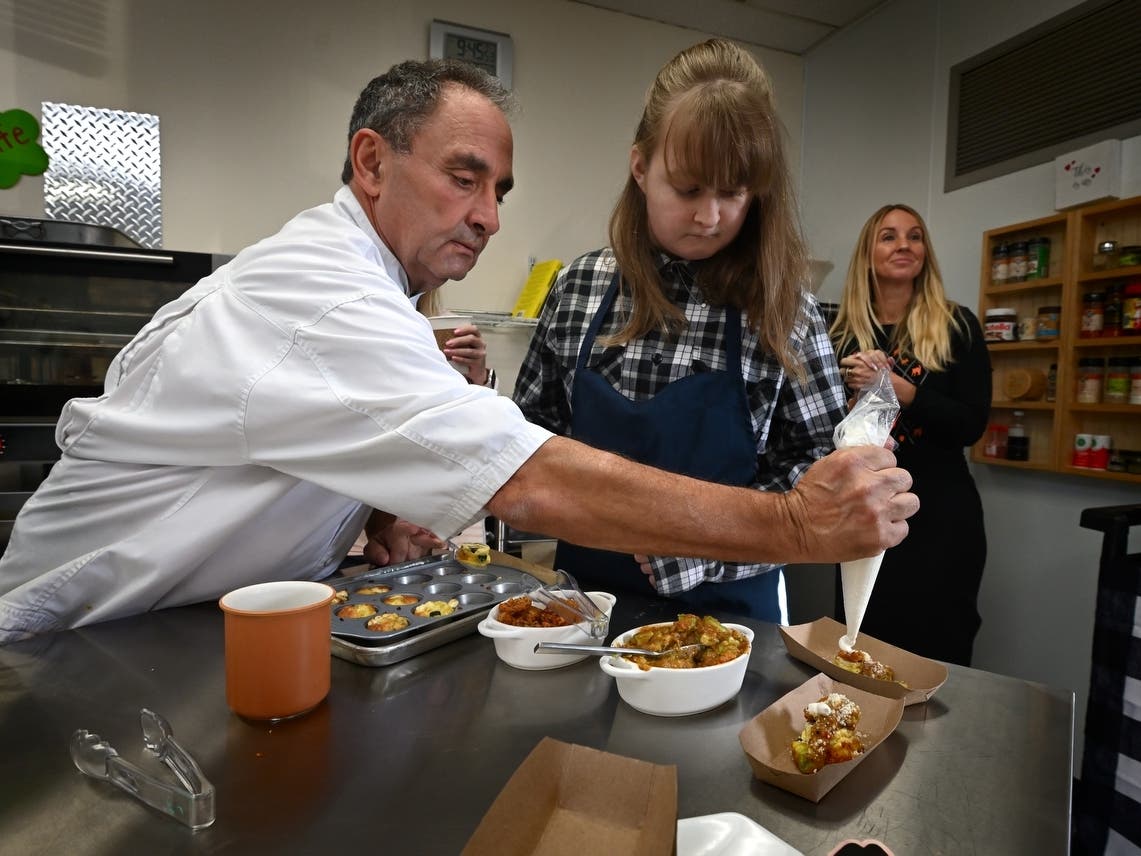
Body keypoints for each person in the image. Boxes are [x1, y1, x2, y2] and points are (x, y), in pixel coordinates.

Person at [0, 58, 917, 643]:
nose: (487, 215)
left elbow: (291, 443)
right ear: (370, 163)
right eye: (462, 178)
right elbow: (524, 469)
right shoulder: (321, 294)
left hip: (164, 632)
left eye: (500, 190)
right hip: (73, 642)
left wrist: (365, 514)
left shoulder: (377, 300)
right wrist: (794, 526)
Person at [512, 39, 847, 623]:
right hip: (580, 613)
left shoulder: (786, 311)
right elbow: (528, 440)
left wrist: (703, 551)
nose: (710, 216)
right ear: (640, 168)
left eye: (733, 192)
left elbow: (816, 477)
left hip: (733, 626)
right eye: (689, 189)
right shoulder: (582, 287)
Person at [829, 204, 991, 665]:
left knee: (939, 641)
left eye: (914, 236)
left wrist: (902, 390)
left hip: (941, 517)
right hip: (862, 512)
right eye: (889, 236)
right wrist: (853, 391)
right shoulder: (840, 336)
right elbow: (824, 435)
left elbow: (971, 424)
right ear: (867, 254)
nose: (904, 245)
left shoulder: (956, 325)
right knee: (859, 642)